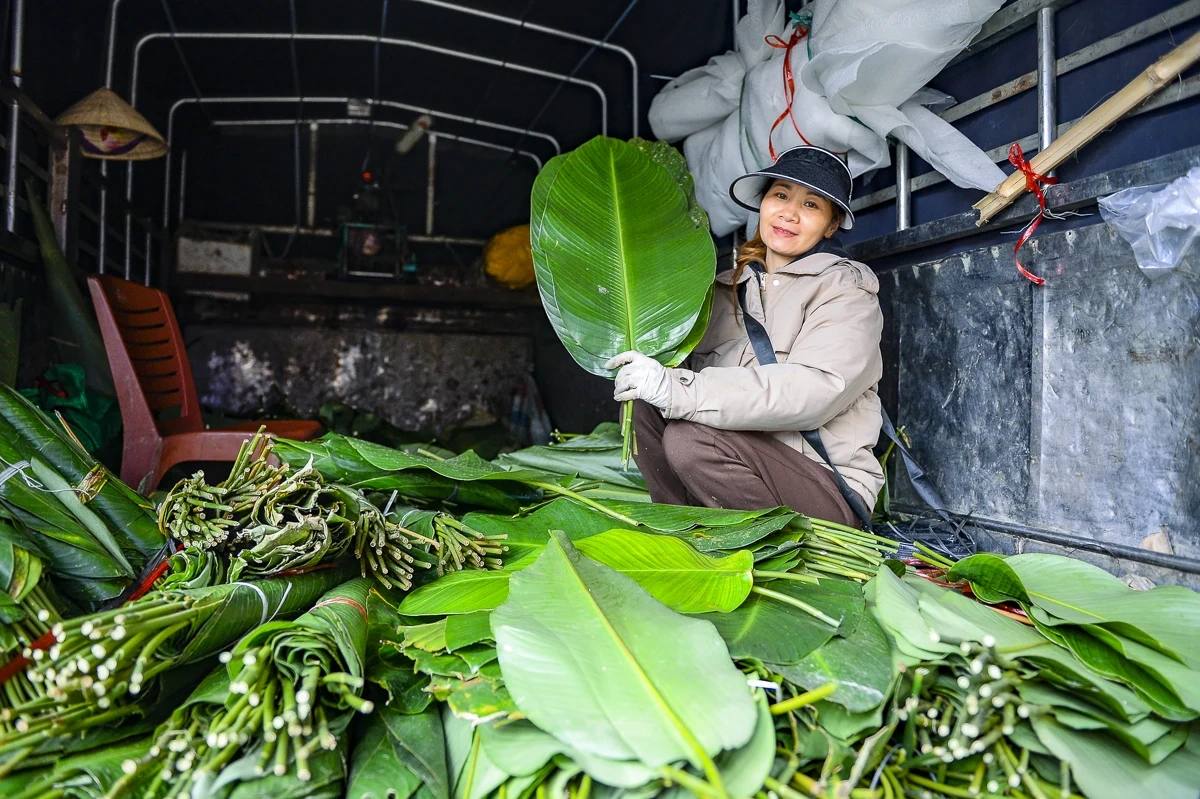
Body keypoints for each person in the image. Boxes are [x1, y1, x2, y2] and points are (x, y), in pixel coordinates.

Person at [605, 145, 884, 527]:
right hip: (731, 468)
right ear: (763, 204)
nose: (789, 213)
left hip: (824, 486)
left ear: (831, 225)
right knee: (641, 402)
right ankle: (685, 527)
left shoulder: (846, 292)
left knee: (691, 440)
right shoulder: (722, 292)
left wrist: (680, 391)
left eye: (811, 204)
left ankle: (772, 541)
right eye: (780, 195)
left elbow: (815, 391)